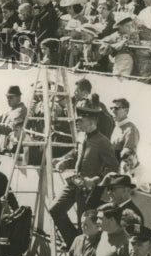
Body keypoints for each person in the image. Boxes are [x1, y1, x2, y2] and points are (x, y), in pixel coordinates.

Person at [50, 103, 118, 247]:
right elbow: (76, 154)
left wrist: (95, 180)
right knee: (55, 209)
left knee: (86, 223)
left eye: (80, 119)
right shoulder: (82, 137)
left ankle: (81, 252)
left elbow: (113, 167)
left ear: (91, 121)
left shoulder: (103, 142)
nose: (77, 122)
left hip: (89, 191)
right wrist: (65, 161)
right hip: (74, 184)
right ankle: (73, 242)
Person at [0, 85, 28, 154]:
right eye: (7, 97)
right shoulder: (11, 111)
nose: (8, 100)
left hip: (13, 151)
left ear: (18, 97)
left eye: (11, 97)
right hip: (6, 150)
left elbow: (11, 128)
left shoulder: (21, 110)